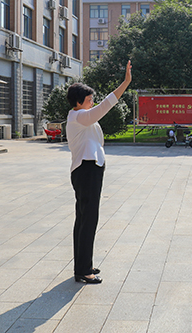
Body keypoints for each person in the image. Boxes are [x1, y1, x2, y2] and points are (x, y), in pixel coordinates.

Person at [66, 60, 132, 284]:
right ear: (78, 102)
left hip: (89, 169)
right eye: (89, 100)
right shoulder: (79, 117)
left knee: (84, 219)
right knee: (88, 219)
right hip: (86, 170)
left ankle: (83, 264)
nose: (92, 103)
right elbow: (105, 106)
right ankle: (84, 270)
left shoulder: (82, 118)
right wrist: (125, 83)